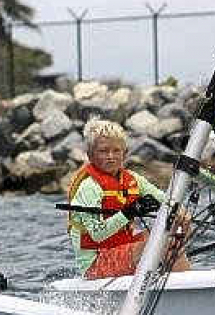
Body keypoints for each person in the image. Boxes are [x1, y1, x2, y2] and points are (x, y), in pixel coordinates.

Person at [66, 119, 191, 279]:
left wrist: (180, 212)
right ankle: (183, 282)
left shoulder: (133, 179)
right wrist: (129, 212)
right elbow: (97, 235)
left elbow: (165, 200)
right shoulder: (89, 188)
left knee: (172, 231)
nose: (110, 157)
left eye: (116, 151)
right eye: (103, 151)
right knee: (163, 243)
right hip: (97, 264)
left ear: (124, 153)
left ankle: (175, 278)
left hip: (123, 249)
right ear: (90, 155)